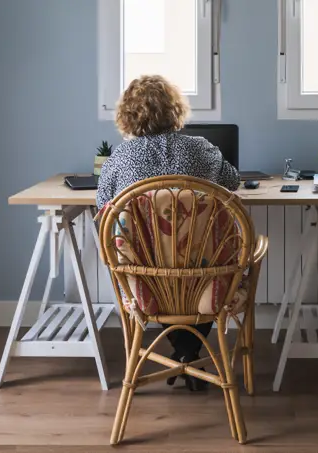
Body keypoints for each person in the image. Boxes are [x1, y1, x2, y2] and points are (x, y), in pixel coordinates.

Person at [96, 75, 240, 391]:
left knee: (160, 274)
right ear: (175, 110)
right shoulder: (203, 149)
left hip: (145, 280)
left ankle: (182, 354)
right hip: (201, 277)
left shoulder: (120, 157)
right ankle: (189, 353)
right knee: (199, 271)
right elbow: (232, 182)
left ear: (128, 116)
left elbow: (104, 205)